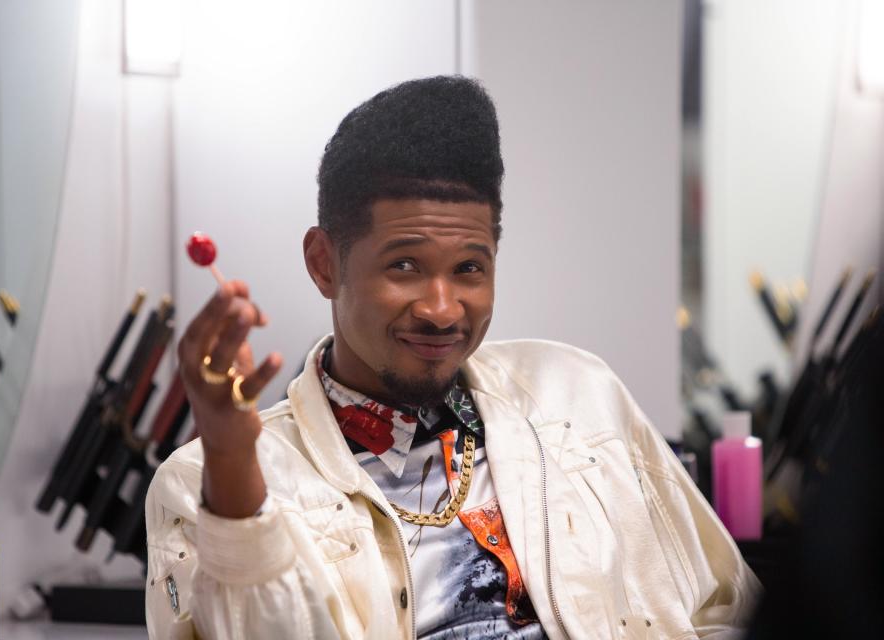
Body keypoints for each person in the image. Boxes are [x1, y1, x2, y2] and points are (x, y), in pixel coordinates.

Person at [145, 76, 759, 639]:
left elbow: (724, 608)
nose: (442, 309)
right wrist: (231, 464)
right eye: (404, 266)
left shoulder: (577, 397)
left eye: (470, 268)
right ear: (324, 263)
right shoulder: (208, 481)